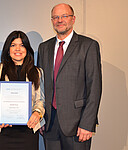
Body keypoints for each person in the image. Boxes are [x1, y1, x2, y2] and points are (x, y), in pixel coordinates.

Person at [37, 3, 102, 150]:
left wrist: (87, 123)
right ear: (52, 20)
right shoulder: (44, 48)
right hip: (50, 123)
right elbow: (40, 86)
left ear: (73, 19)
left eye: (64, 16)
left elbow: (95, 87)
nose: (60, 20)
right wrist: (40, 119)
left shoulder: (88, 46)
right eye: (55, 17)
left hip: (77, 124)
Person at [0, 31, 45, 150]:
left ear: (27, 49)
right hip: (2, 130)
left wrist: (37, 112)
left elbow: (41, 99)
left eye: (22, 45)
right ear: (8, 49)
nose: (18, 48)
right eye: (13, 45)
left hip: (28, 131)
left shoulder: (37, 72)